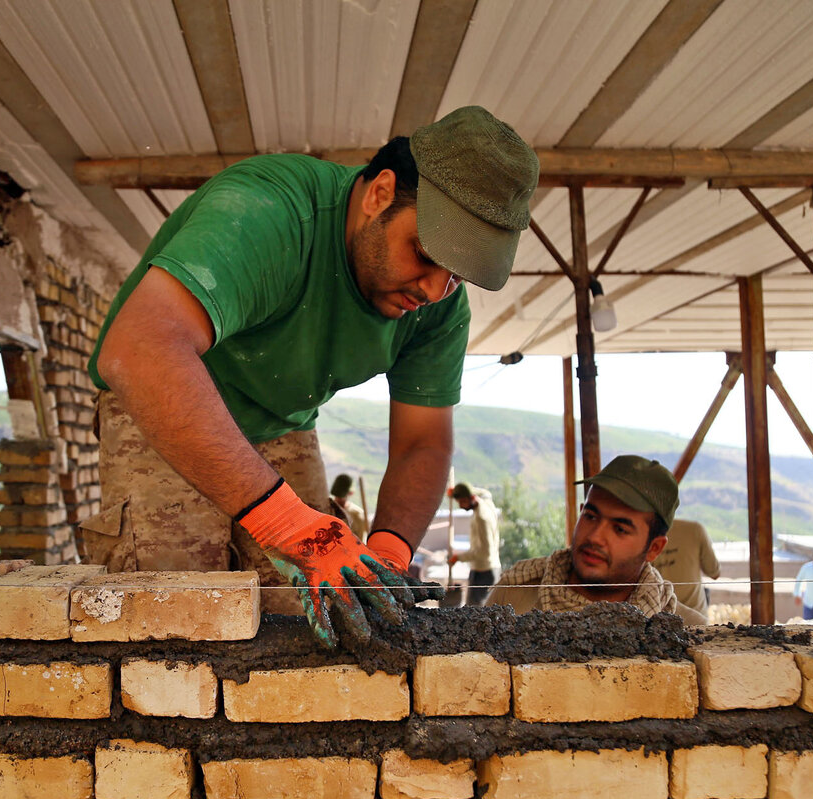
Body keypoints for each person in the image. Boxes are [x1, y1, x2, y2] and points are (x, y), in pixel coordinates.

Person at [83, 106, 540, 649]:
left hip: (283, 420)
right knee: (174, 619)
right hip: (161, 403)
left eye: (456, 277)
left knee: (324, 619)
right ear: (380, 194)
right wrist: (286, 524)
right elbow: (140, 350)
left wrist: (386, 560)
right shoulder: (269, 210)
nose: (432, 290)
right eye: (423, 254)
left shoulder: (438, 303)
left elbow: (422, 443)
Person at [487, 455, 706, 625]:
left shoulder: (684, 631)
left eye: (619, 529)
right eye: (590, 517)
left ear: (654, 548)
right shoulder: (513, 597)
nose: (594, 537)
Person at [446, 482, 502, 606]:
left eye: (463, 501)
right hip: (485, 568)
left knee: (476, 610)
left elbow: (485, 552)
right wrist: (455, 491)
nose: (461, 506)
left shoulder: (482, 518)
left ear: (471, 498)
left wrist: (459, 557)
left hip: (484, 572)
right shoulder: (486, 501)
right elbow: (485, 493)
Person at [652, 518, 720, 617]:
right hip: (696, 618)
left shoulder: (645, 532)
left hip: (658, 620)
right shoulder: (695, 530)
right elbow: (714, 573)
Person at [329, 474, 369, 541]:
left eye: (341, 496)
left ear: (350, 493)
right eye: (337, 496)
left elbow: (360, 541)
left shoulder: (357, 515)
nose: (339, 499)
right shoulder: (327, 509)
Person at [792, 549, 813, 621]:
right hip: (808, 602)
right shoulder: (806, 567)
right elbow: (798, 580)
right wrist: (797, 595)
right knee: (807, 625)